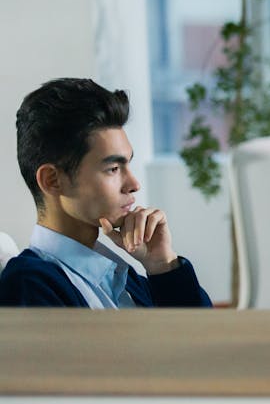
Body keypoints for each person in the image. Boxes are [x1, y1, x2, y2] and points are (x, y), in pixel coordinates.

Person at [0, 78, 211, 308]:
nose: (134, 184)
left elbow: (205, 341)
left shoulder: (123, 278)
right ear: (52, 180)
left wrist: (163, 265)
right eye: (113, 168)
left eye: (128, 164)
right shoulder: (28, 286)